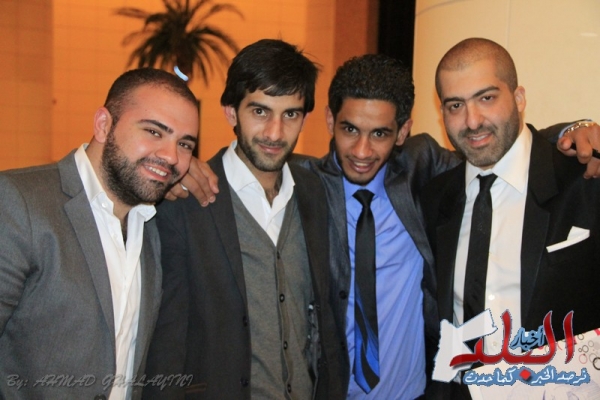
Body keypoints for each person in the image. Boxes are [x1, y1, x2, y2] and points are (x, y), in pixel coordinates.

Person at [143, 39, 344, 400]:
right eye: (260, 111)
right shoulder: (184, 202)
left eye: (290, 114)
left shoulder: (314, 191)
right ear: (231, 112)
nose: (275, 132)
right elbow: (166, 340)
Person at [0, 68, 199, 399]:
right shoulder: (19, 202)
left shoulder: (152, 225)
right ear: (104, 125)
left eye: (185, 144)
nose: (171, 156)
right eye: (153, 131)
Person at [421, 37, 600, 398]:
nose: (472, 121)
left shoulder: (584, 177)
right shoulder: (435, 197)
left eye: (487, 98)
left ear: (518, 98)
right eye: (455, 105)